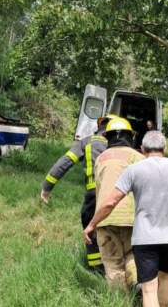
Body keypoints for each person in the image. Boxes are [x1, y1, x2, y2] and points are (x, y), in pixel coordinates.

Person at [84, 130, 168, 307]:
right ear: (165, 148)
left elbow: (111, 202)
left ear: (143, 149)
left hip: (145, 237)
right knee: (166, 276)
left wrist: (92, 224)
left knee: (149, 287)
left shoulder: (134, 170)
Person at [40, 114, 118, 272]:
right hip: (116, 196)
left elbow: (64, 163)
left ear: (99, 126)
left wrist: (47, 187)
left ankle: (96, 270)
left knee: (90, 231)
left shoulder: (87, 141)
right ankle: (116, 267)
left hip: (93, 197)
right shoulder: (119, 144)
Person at [94, 117, 143, 291]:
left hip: (106, 219)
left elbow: (99, 190)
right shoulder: (138, 157)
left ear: (108, 137)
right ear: (130, 136)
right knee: (133, 256)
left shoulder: (100, 159)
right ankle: (137, 285)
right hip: (133, 219)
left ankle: (119, 306)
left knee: (113, 265)